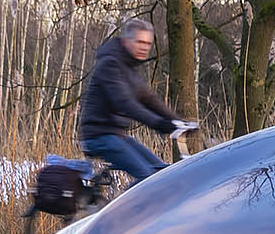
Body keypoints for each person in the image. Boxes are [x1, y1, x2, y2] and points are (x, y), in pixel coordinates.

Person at [78, 18, 194, 183]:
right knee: (147, 179)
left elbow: (149, 100)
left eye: (148, 44)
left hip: (117, 135)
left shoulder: (129, 68)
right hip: (99, 136)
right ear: (126, 42)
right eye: (139, 42)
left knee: (161, 172)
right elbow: (125, 104)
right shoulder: (109, 65)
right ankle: (121, 210)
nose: (144, 47)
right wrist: (159, 123)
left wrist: (177, 120)